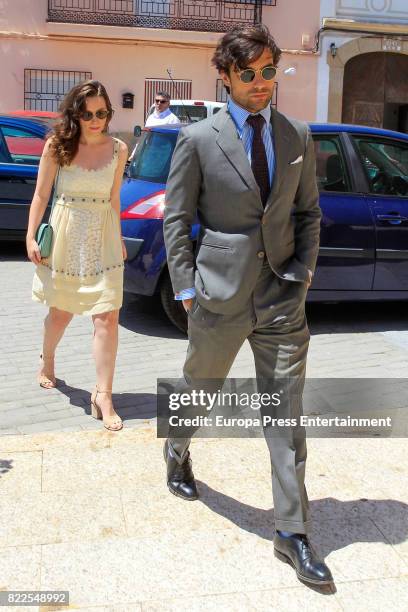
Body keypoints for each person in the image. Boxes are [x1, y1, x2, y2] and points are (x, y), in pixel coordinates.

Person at [163, 25, 333, 586]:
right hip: (218, 295)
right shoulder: (198, 140)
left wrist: (302, 273)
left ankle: (293, 532)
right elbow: (175, 218)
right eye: (249, 74)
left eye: (268, 72)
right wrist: (186, 287)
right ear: (226, 75)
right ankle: (178, 449)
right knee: (199, 391)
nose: (261, 84)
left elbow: (308, 214)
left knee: (284, 415)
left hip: (283, 296)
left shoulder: (296, 136)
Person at [26, 80, 128, 431]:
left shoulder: (119, 149)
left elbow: (114, 199)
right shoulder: (58, 146)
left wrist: (119, 238)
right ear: (76, 114)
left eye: (102, 113)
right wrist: (30, 235)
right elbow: (41, 196)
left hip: (104, 238)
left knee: (107, 317)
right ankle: (48, 361)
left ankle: (104, 394)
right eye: (87, 114)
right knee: (61, 314)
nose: (95, 119)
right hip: (66, 235)